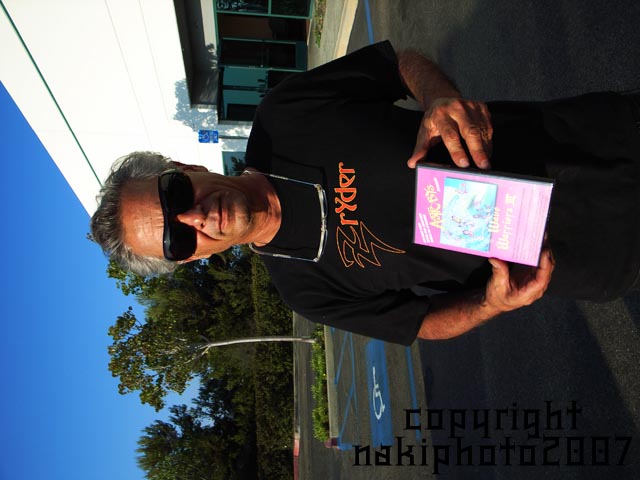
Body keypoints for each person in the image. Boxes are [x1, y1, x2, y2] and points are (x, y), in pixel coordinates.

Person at [91, 41, 640, 345]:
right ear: (192, 259)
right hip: (591, 255)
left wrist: (438, 96)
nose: (193, 217)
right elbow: (420, 322)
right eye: (176, 239)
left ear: (184, 166)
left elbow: (399, 66)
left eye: (173, 195)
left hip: (594, 138)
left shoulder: (284, 115)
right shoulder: (306, 292)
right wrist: (490, 304)